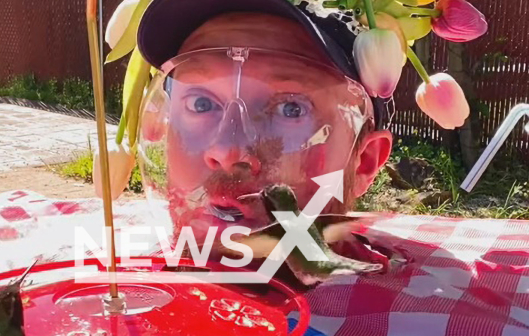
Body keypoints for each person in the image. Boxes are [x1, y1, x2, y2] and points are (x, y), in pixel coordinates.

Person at [96, 0, 397, 281]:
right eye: (201, 103)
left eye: (290, 109)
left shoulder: (417, 329)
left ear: (364, 163)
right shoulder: (105, 282)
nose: (227, 151)